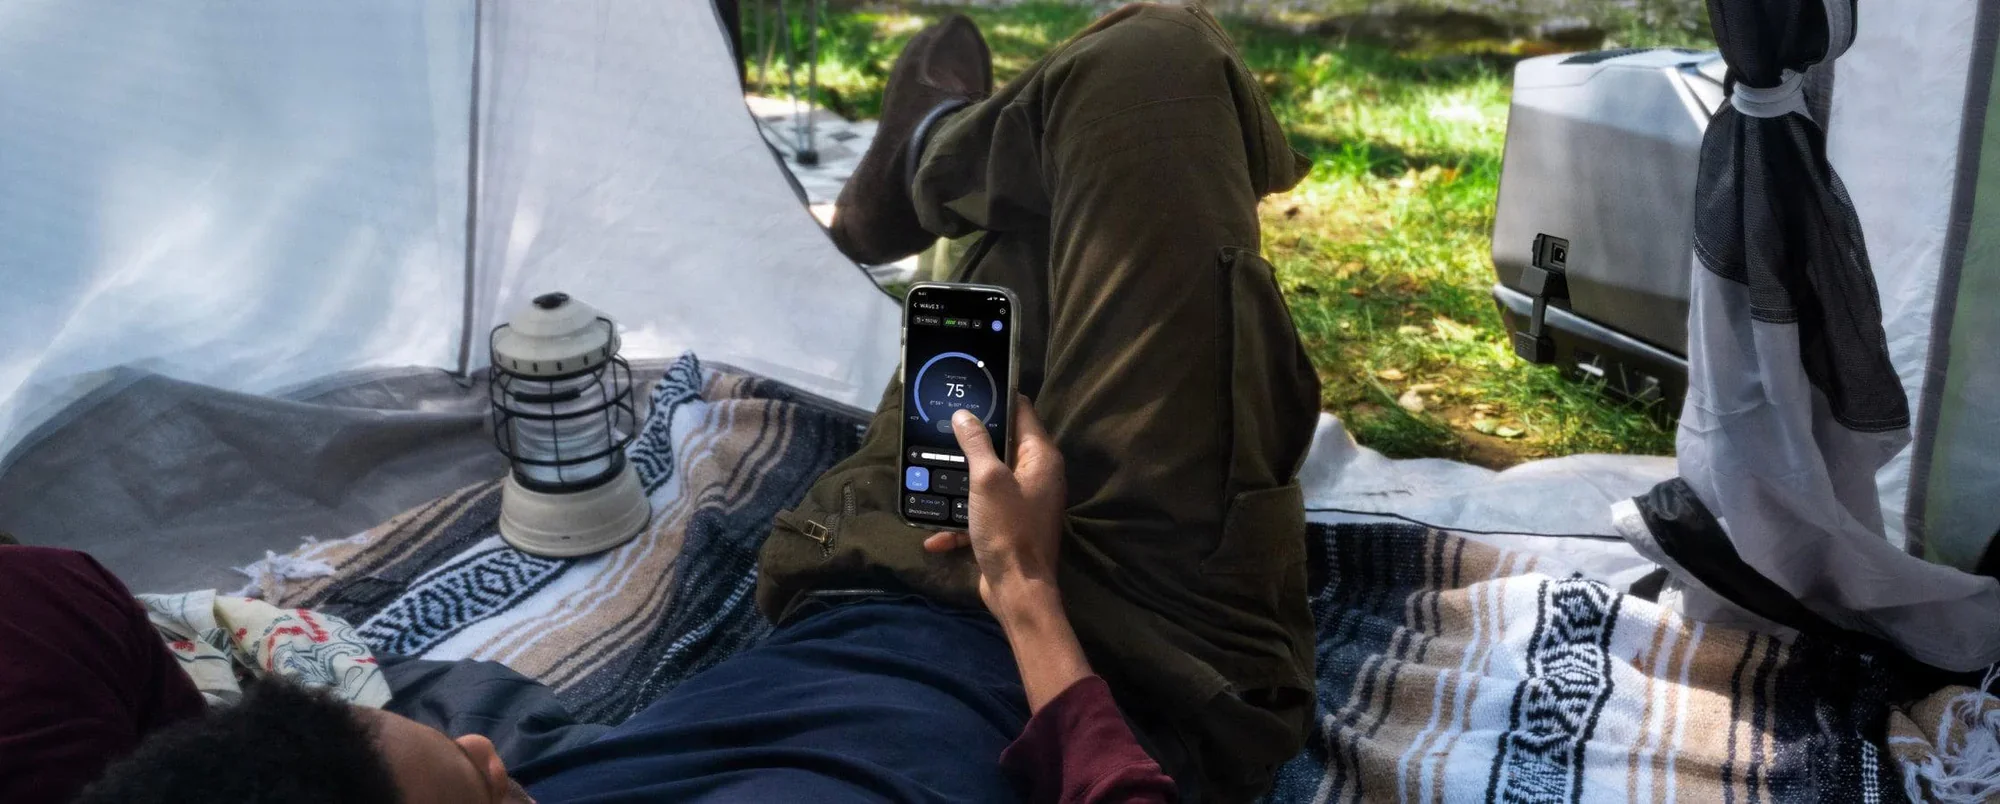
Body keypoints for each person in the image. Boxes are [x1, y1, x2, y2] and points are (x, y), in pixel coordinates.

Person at [21, 5, 1316, 801]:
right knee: (1150, 72)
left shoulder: (487, 762)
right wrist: (1024, 587)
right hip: (1120, 642)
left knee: (1027, 264)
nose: (491, 759)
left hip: (870, 560)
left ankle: (931, 168)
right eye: (483, 798)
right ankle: (930, 159)